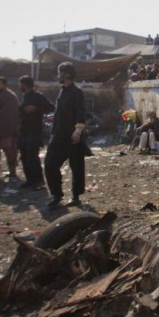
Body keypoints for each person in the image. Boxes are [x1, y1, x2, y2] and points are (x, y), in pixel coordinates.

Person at [44, 62, 90, 208]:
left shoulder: (77, 92)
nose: (58, 75)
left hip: (72, 136)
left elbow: (81, 113)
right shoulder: (62, 91)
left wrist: (78, 131)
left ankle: (76, 196)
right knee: (50, 164)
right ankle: (56, 194)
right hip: (58, 135)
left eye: (60, 73)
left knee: (76, 167)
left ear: (66, 75)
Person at [18, 76, 55, 189]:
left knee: (32, 157)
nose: (20, 86)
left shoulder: (37, 96)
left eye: (21, 84)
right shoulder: (25, 97)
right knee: (24, 157)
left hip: (34, 132)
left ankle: (38, 181)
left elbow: (51, 107)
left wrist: (36, 109)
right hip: (24, 132)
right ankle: (30, 180)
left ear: (25, 85)